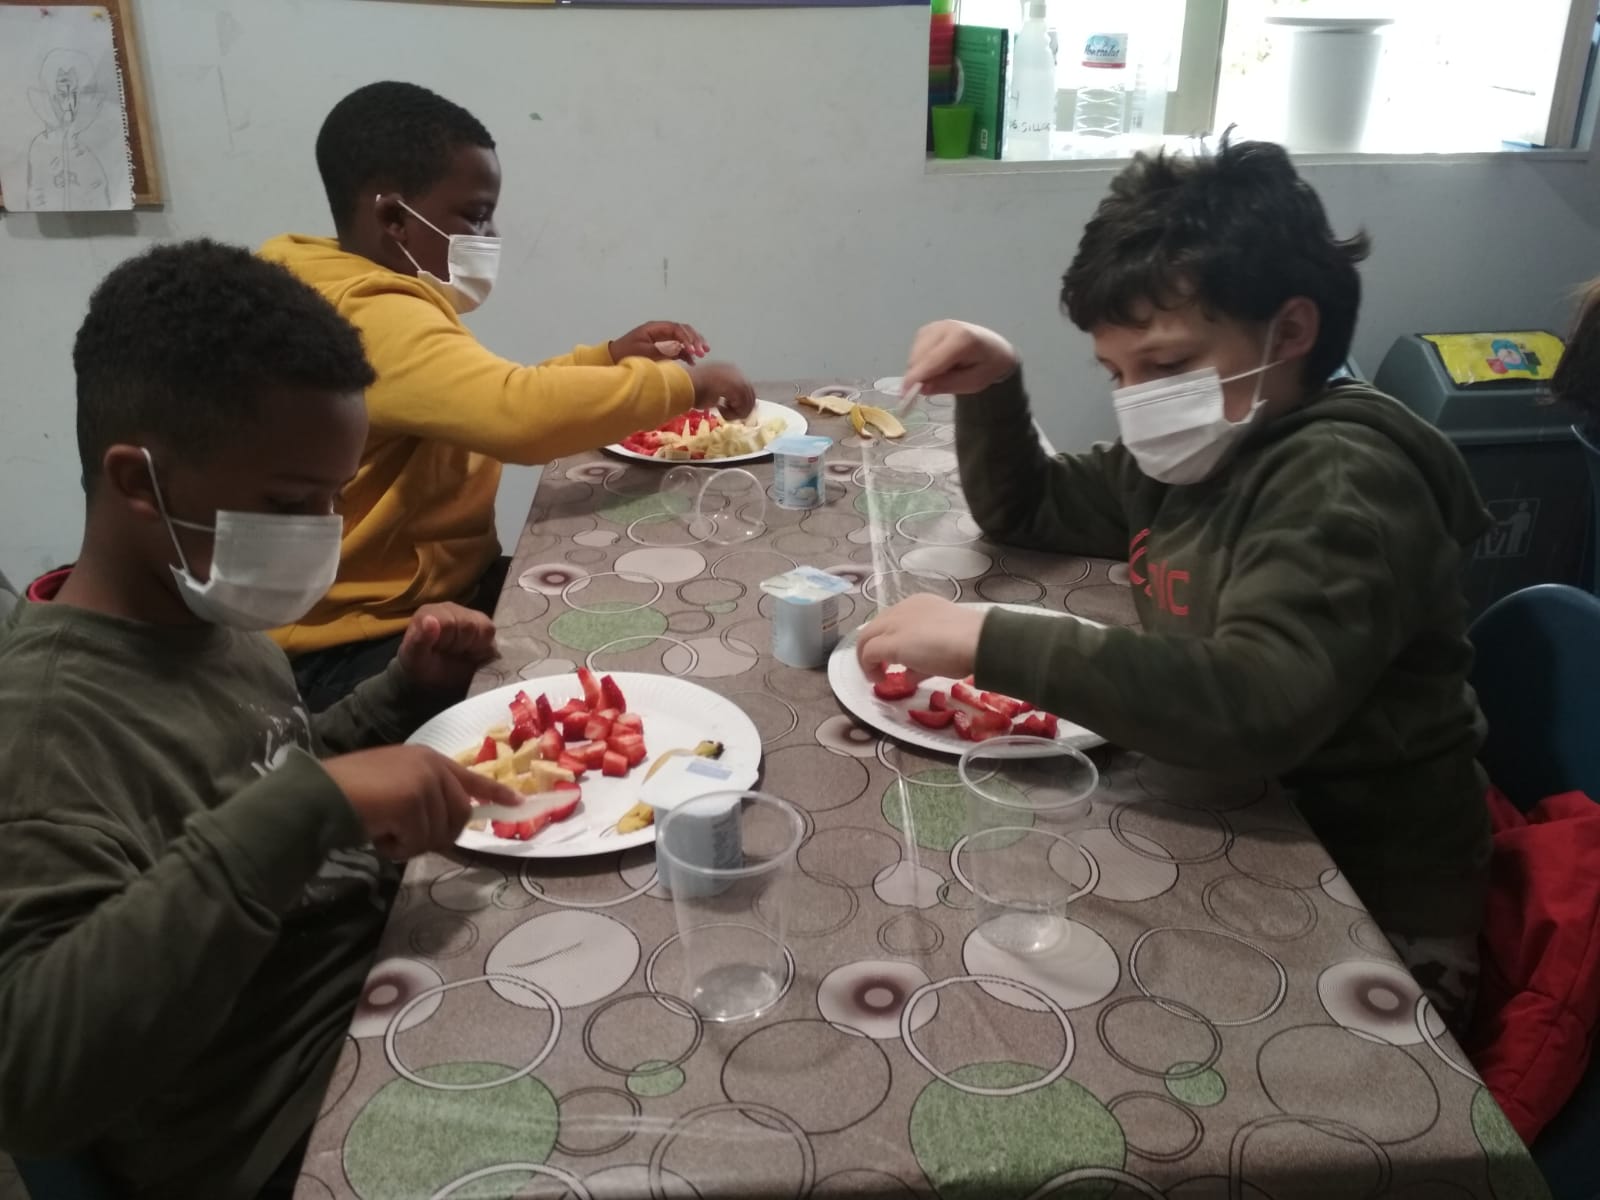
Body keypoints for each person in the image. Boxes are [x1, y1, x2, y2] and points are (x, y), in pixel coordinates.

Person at [858, 137, 1492, 1032]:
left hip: (1368, 881)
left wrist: (987, 639)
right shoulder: (1211, 441)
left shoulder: (1343, 481)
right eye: (1117, 374)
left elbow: (1255, 706)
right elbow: (1031, 510)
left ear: (1291, 332)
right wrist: (995, 382)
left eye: (1164, 367)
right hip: (1234, 808)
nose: (1138, 401)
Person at [0, 240, 521, 1199]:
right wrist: (310, 807)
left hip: (363, 976)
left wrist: (402, 694)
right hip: (281, 1124)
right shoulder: (46, 734)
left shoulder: (213, 620)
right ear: (137, 482)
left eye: (333, 498)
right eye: (289, 503)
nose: (322, 533)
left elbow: (266, 767)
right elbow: (32, 1088)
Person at [261, 81, 757, 709]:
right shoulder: (367, 311)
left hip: (415, 597)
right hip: (359, 640)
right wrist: (687, 384)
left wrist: (607, 357)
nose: (490, 234)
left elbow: (480, 390)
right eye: (474, 216)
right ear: (394, 218)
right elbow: (515, 413)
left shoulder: (333, 279)